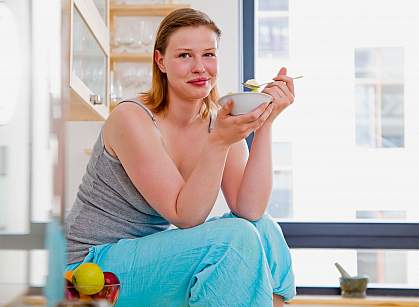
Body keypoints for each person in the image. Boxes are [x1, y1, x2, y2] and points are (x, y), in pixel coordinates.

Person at [65, 8, 296, 307]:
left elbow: (250, 209)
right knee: (234, 238)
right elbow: (185, 216)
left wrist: (264, 124)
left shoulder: (218, 120)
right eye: (185, 55)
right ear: (160, 61)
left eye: (209, 54)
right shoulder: (131, 119)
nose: (200, 67)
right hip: (88, 269)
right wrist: (219, 144)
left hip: (144, 257)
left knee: (262, 228)